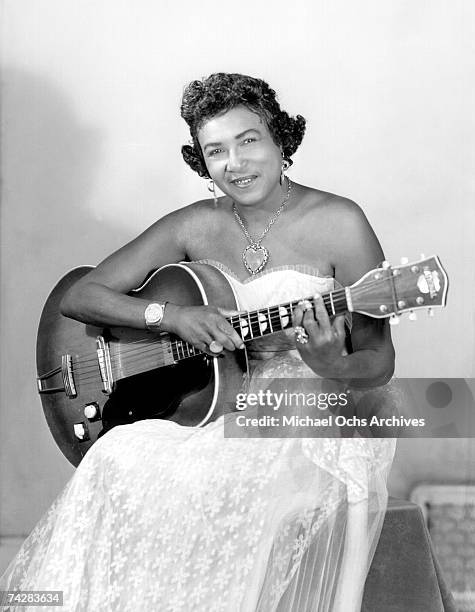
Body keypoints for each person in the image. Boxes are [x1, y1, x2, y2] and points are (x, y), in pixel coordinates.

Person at [1, 73, 396, 611]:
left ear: (282, 139)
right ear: (201, 162)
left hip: (310, 406)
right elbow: (81, 296)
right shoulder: (192, 224)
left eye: (249, 140)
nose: (235, 163)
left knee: (233, 481)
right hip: (210, 401)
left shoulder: (341, 222)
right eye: (216, 151)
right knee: (115, 454)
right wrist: (170, 315)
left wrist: (333, 363)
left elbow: (379, 361)